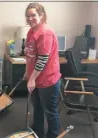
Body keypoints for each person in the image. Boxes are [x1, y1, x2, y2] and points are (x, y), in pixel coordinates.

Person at [23, 3, 61, 138]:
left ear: (41, 15)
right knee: (37, 107)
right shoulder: (31, 31)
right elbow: (31, 55)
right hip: (36, 78)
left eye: (33, 15)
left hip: (48, 80)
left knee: (50, 111)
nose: (30, 18)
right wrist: (27, 73)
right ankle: (37, 132)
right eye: (27, 16)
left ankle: (53, 134)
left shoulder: (45, 32)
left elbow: (43, 59)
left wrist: (32, 78)